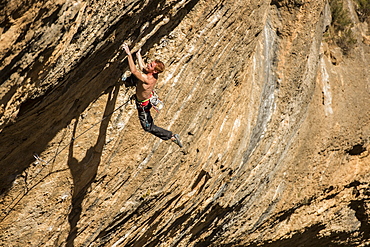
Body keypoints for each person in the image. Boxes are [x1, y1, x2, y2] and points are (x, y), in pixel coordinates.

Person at [122, 43, 183, 148]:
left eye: (151, 65)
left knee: (148, 127)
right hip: (144, 97)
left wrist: (128, 54)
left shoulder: (148, 79)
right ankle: (127, 81)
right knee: (136, 77)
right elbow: (142, 67)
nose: (148, 64)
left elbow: (134, 70)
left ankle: (171, 136)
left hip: (143, 106)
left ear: (154, 71)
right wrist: (138, 54)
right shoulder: (152, 74)